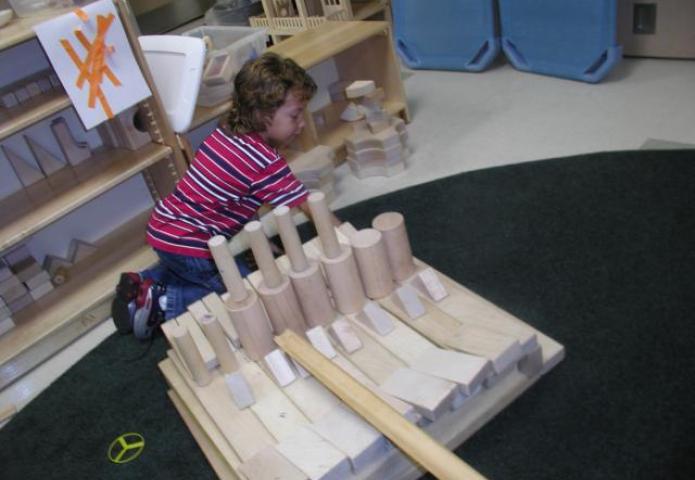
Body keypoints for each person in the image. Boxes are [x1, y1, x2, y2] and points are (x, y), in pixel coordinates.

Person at [112, 52, 335, 339]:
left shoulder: (227, 134)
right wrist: (343, 238)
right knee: (245, 291)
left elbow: (240, 199)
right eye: (294, 115)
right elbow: (307, 204)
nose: (301, 123)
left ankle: (144, 283)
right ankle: (163, 304)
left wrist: (260, 240)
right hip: (193, 245)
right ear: (260, 114)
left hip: (167, 231)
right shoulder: (263, 161)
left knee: (184, 267)